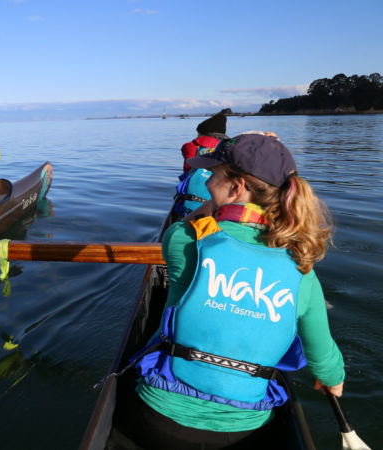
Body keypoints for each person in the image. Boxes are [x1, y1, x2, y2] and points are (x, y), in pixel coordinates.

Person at [130, 133, 345, 449]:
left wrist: (218, 207)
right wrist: (332, 380)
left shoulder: (182, 241)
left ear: (237, 186)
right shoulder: (302, 270)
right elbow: (324, 357)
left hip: (157, 421)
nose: (206, 182)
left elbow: (186, 224)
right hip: (243, 433)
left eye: (213, 175)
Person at [173, 113, 229, 219]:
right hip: (219, 202)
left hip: (191, 201)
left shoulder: (190, 146)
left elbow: (187, 167)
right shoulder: (229, 148)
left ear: (203, 134)